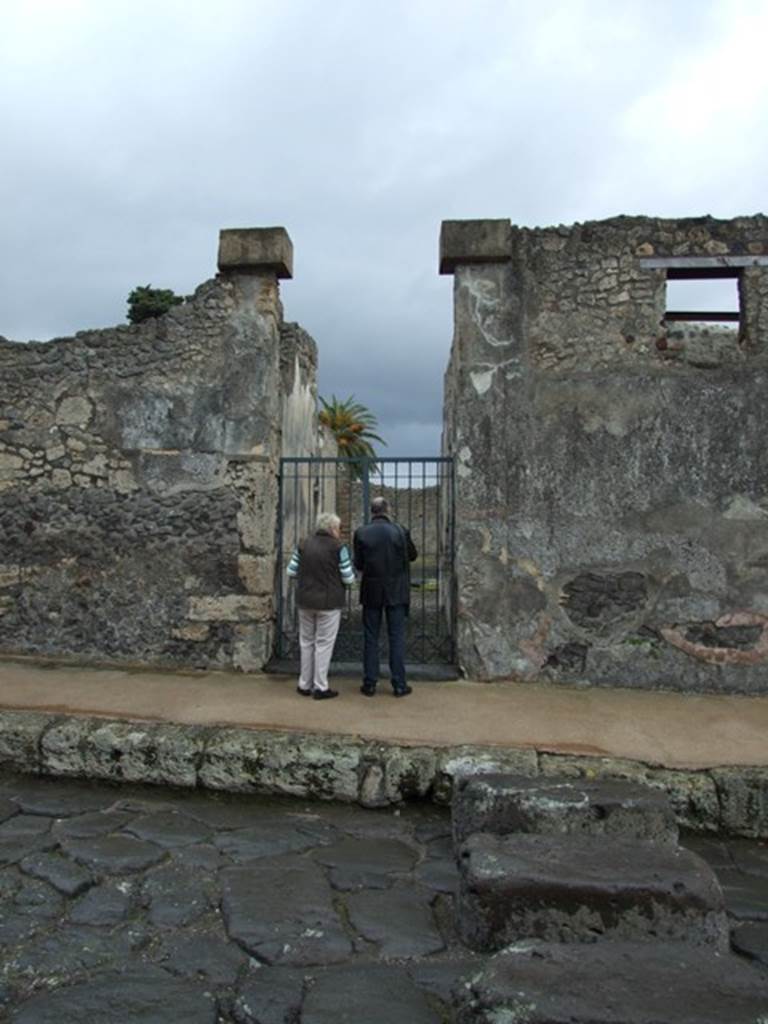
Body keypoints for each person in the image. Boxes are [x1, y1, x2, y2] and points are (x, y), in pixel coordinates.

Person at [353, 496, 418, 697]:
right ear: (387, 510)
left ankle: (370, 683)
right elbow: (413, 555)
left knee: (371, 637)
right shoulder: (400, 530)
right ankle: (399, 683)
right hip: (396, 591)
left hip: (371, 590)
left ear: (372, 511)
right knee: (396, 637)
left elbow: (359, 564)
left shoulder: (361, 532)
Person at [286, 511, 354, 700]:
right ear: (332, 528)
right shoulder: (339, 547)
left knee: (306, 642)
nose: (340, 532)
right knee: (323, 644)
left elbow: (291, 570)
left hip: (305, 600)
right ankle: (320, 686)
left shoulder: (303, 544)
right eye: (338, 528)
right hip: (329, 603)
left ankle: (304, 684)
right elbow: (348, 577)